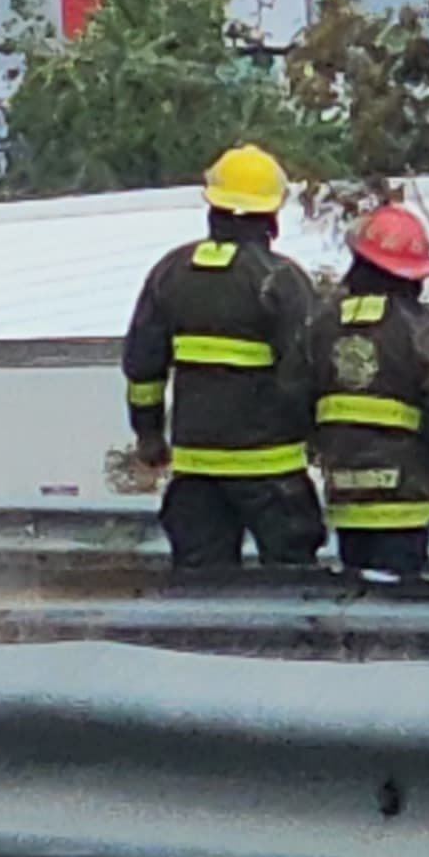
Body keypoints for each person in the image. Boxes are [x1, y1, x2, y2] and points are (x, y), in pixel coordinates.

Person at [123, 144, 325, 571]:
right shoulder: (280, 280)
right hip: (275, 473)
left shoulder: (170, 273)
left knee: (203, 601)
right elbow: (306, 372)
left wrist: (150, 435)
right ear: (271, 213)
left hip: (196, 473)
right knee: (293, 593)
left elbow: (143, 368)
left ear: (212, 204)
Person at [307, 204, 429, 580]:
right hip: (404, 501)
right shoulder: (421, 330)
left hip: (343, 496)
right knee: (399, 604)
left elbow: (296, 399)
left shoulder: (321, 325)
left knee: (358, 594)